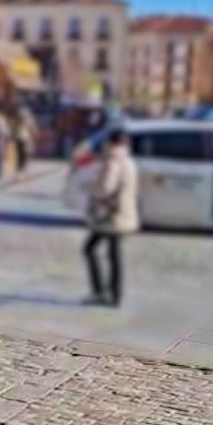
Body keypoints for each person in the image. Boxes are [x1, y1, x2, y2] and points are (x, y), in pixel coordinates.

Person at [82, 127, 139, 308]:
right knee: (114, 253)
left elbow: (106, 187)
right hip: (122, 212)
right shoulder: (128, 161)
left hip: (109, 214)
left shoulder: (113, 160)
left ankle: (101, 291)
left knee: (90, 249)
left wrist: (92, 191)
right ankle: (115, 294)